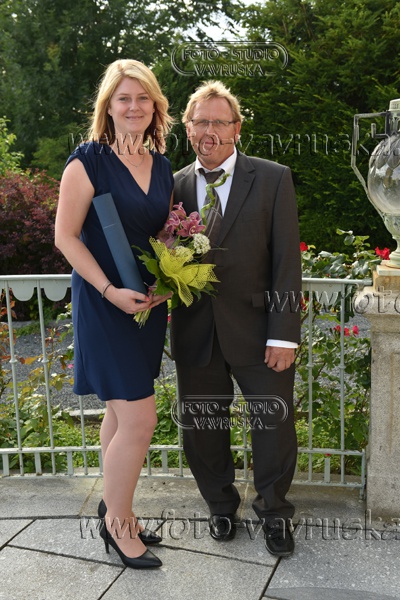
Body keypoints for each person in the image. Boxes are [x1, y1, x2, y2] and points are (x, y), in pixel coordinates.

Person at [170, 80, 302, 557]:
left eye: (219, 122)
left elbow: (286, 260)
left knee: (273, 426)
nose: (210, 130)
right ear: (188, 129)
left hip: (260, 330)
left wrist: (284, 335)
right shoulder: (172, 185)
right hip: (196, 332)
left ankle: (274, 513)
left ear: (237, 128)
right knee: (202, 427)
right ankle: (220, 506)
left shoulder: (271, 178)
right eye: (200, 121)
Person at [55, 59, 174, 569]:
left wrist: (168, 283)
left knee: (120, 414)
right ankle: (119, 525)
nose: (133, 107)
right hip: (104, 304)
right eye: (124, 98)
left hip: (145, 307)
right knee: (141, 419)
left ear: (155, 107)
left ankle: (114, 504)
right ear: (108, 106)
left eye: (143, 98)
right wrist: (108, 290)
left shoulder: (162, 166)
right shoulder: (88, 161)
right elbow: (65, 237)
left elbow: (164, 236)